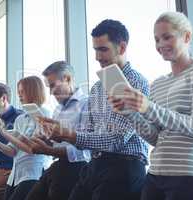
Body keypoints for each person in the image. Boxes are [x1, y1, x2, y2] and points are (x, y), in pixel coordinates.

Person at [108, 11, 193, 200]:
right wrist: (129, 112)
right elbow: (156, 138)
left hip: (191, 177)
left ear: (187, 36)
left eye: (167, 37)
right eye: (157, 39)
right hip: (156, 175)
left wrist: (149, 107)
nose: (160, 45)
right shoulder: (157, 84)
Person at [38, 20, 150, 200]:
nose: (97, 57)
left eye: (103, 49)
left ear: (121, 47)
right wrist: (58, 134)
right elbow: (87, 134)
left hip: (124, 167)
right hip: (95, 166)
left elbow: (118, 139)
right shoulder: (97, 88)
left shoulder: (136, 83)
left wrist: (69, 135)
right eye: (95, 50)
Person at [14, 61, 90, 200]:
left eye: (53, 85)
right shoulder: (58, 109)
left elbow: (85, 151)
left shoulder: (86, 104)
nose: (51, 92)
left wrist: (48, 150)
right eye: (49, 87)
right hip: (58, 166)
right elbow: (54, 142)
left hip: (76, 169)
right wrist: (45, 140)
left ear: (67, 78)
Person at [0, 76, 51, 200]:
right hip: (16, 175)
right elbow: (12, 151)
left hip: (33, 174)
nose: (19, 95)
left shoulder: (44, 114)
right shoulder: (20, 119)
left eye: (22, 91)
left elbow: (32, 149)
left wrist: (5, 133)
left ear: (33, 91)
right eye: (18, 92)